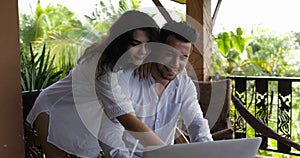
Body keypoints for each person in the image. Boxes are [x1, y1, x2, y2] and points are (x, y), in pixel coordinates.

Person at [26, 10, 160, 158]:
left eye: (148, 46)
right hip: (54, 110)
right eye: (136, 44)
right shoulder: (102, 67)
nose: (143, 51)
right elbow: (126, 119)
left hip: (84, 118)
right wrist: (167, 151)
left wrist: (150, 62)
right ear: (120, 41)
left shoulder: (126, 60)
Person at [99, 21, 213, 158]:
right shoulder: (125, 79)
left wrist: (208, 152)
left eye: (183, 57)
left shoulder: (184, 85)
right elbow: (110, 131)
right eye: (169, 54)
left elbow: (196, 123)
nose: (175, 64)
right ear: (156, 50)